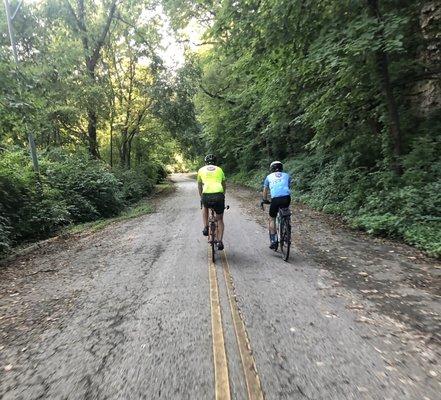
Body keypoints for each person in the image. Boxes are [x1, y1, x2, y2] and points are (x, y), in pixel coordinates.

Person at [197, 154, 226, 250]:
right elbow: (224, 184)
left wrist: (201, 196)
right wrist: (223, 195)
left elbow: (200, 185)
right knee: (220, 219)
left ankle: (206, 227)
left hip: (206, 195)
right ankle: (220, 242)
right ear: (215, 162)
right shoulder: (220, 169)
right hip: (219, 195)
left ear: (205, 162)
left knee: (205, 207)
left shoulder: (201, 170)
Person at [262, 161, 291, 249]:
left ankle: (274, 240)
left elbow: (265, 190)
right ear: (281, 168)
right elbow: (288, 186)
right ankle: (287, 228)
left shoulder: (269, 177)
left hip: (275, 199)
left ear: (272, 169)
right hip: (286, 198)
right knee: (285, 210)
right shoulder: (287, 175)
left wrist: (264, 200)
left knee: (272, 218)